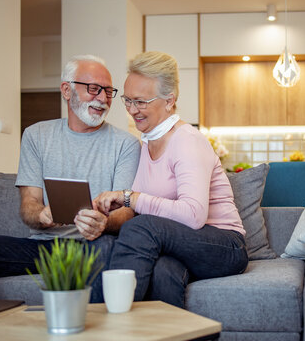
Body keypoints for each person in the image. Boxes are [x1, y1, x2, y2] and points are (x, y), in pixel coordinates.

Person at [0, 55, 141, 303]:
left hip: (95, 244)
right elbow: (29, 204)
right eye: (93, 89)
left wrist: (103, 222)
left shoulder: (126, 144)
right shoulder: (36, 136)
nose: (103, 99)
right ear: (66, 90)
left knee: (106, 248)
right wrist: (41, 215)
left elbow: (126, 211)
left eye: (108, 91)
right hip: (46, 247)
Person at [94, 51, 249, 308]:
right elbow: (142, 207)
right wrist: (104, 213)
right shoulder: (145, 145)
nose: (132, 110)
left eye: (141, 102)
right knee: (164, 272)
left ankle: (109, 326)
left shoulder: (187, 140)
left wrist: (131, 198)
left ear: (169, 101)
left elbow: (193, 215)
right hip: (183, 245)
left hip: (225, 246)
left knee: (141, 227)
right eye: (128, 100)